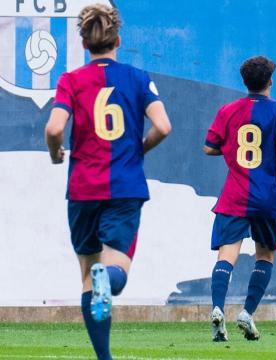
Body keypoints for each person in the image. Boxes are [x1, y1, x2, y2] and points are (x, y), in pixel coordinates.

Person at [44, 4, 172, 359]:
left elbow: (55, 128)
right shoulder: (137, 77)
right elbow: (163, 126)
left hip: (83, 188)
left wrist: (56, 153)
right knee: (115, 272)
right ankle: (108, 279)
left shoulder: (71, 80)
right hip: (125, 186)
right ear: (118, 39)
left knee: (88, 275)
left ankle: (104, 357)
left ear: (85, 44)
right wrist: (140, 147)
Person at [203, 56, 276, 342]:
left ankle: (218, 308)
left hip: (235, 195)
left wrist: (232, 152)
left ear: (245, 82)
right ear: (270, 81)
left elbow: (209, 148)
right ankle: (247, 312)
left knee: (226, 256)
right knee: (265, 255)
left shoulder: (228, 110)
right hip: (266, 196)